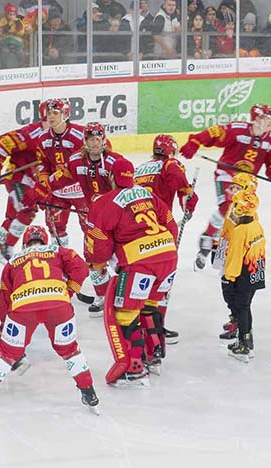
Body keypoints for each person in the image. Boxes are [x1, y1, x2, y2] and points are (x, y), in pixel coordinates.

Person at [0, 225, 98, 415]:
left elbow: (5, 296)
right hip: (58, 305)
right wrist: (69, 291)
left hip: (23, 308)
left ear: (25, 243)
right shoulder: (59, 250)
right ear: (45, 240)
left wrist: (4, 328)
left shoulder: (13, 261)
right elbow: (80, 267)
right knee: (70, 351)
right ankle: (90, 394)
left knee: (7, 353)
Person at [86, 157, 178, 386]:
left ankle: (134, 368)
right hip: (168, 256)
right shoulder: (147, 194)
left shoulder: (109, 201)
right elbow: (169, 221)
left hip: (140, 262)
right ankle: (154, 354)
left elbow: (99, 237)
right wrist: (166, 250)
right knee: (149, 305)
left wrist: (98, 262)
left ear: (111, 177)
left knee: (125, 314)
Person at [180, 103, 271, 271]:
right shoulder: (238, 129)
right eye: (266, 118)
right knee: (229, 208)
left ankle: (224, 248)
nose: (269, 121)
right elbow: (215, 132)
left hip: (247, 183)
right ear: (256, 119)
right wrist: (195, 141)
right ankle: (208, 240)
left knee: (241, 218)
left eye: (269, 118)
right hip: (227, 175)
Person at [133, 134, 198, 343]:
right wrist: (189, 207)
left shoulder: (139, 169)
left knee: (141, 279)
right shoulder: (171, 164)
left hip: (135, 232)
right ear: (171, 151)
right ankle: (156, 327)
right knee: (162, 281)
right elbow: (184, 190)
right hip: (159, 231)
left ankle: (137, 325)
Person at [65, 122, 125, 317]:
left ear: (104, 139)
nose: (94, 142)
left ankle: (127, 293)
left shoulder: (114, 161)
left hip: (116, 220)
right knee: (93, 259)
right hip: (94, 221)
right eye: (91, 139)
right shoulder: (75, 161)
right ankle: (103, 296)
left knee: (123, 258)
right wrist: (41, 192)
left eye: (97, 138)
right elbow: (60, 178)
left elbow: (127, 186)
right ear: (84, 141)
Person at [0, 101, 48, 261]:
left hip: (33, 182)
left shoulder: (58, 137)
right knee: (27, 211)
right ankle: (6, 248)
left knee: (11, 219)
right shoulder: (32, 134)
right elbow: (3, 143)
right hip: (18, 178)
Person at [212, 189, 265, 362]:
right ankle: (247, 342)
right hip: (255, 272)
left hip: (241, 274)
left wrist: (229, 277)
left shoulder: (240, 231)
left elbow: (234, 256)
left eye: (236, 204)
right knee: (246, 306)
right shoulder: (256, 225)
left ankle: (243, 345)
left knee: (241, 307)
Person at [26, 98, 87, 247]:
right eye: (48, 113)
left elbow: (72, 170)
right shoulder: (43, 138)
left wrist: (44, 188)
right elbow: (43, 166)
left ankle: (95, 267)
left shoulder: (80, 135)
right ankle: (61, 261)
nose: (50, 116)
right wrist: (43, 185)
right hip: (58, 193)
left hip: (82, 192)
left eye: (55, 112)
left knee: (92, 229)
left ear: (65, 114)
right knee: (55, 230)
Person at [217, 172, 258, 341]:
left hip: (238, 264)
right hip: (229, 258)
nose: (231, 189)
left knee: (240, 300)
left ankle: (244, 332)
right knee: (228, 295)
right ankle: (236, 321)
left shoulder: (246, 215)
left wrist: (231, 272)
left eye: (236, 187)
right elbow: (226, 230)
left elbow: (239, 244)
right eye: (232, 186)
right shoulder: (233, 207)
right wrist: (218, 249)